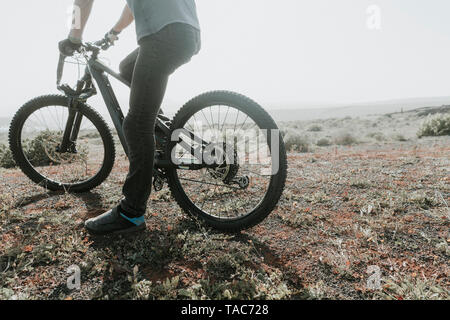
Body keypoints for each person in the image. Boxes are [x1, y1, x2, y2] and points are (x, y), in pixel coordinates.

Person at [59, 0, 201, 235]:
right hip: (187, 32)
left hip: (162, 35)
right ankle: (161, 141)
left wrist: (74, 37)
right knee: (127, 69)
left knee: (135, 125)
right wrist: (114, 33)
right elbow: (132, 5)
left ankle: (131, 213)